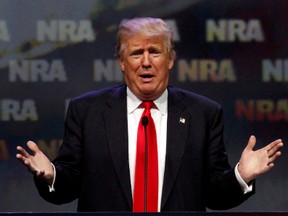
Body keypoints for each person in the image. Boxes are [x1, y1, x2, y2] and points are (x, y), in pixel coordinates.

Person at [16, 17, 283, 212]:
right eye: (136, 53)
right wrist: (51, 175)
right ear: (121, 62)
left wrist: (241, 176)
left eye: (154, 52)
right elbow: (69, 185)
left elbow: (214, 194)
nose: (146, 62)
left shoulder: (204, 114)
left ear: (170, 59)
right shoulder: (86, 111)